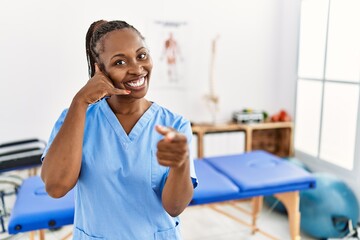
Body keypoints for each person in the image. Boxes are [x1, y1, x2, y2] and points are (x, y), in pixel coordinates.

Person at [40, 20, 197, 239]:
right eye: (120, 62)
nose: (136, 69)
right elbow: (56, 188)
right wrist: (80, 101)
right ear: (99, 70)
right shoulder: (76, 118)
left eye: (141, 55)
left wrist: (180, 165)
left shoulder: (174, 125)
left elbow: (175, 207)